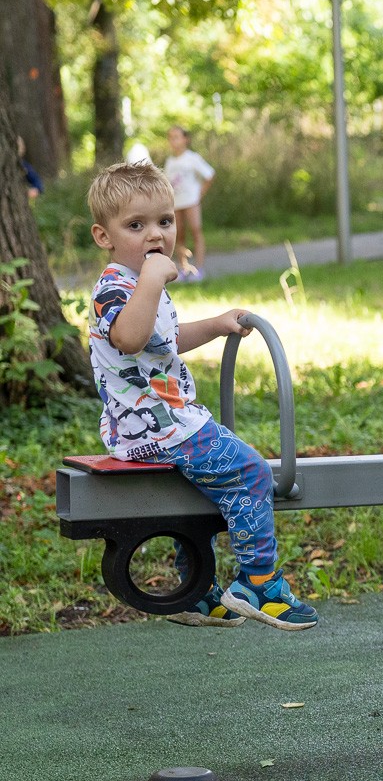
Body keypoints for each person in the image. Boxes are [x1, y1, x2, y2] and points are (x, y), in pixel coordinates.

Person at [86, 161, 318, 630]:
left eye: (164, 221)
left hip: (160, 423)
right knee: (251, 471)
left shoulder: (139, 286)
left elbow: (162, 341)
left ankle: (196, 591)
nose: (156, 234)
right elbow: (130, 337)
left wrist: (215, 325)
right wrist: (153, 280)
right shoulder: (114, 288)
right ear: (103, 236)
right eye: (136, 225)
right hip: (157, 426)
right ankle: (259, 583)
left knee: (197, 494)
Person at [162, 126, 214, 282]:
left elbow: (209, 175)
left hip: (191, 202)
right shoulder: (170, 162)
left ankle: (199, 269)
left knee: (196, 231)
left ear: (185, 139)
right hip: (176, 203)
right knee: (179, 235)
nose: (173, 141)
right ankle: (183, 268)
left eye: (177, 137)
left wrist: (198, 195)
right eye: (171, 138)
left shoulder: (192, 158)